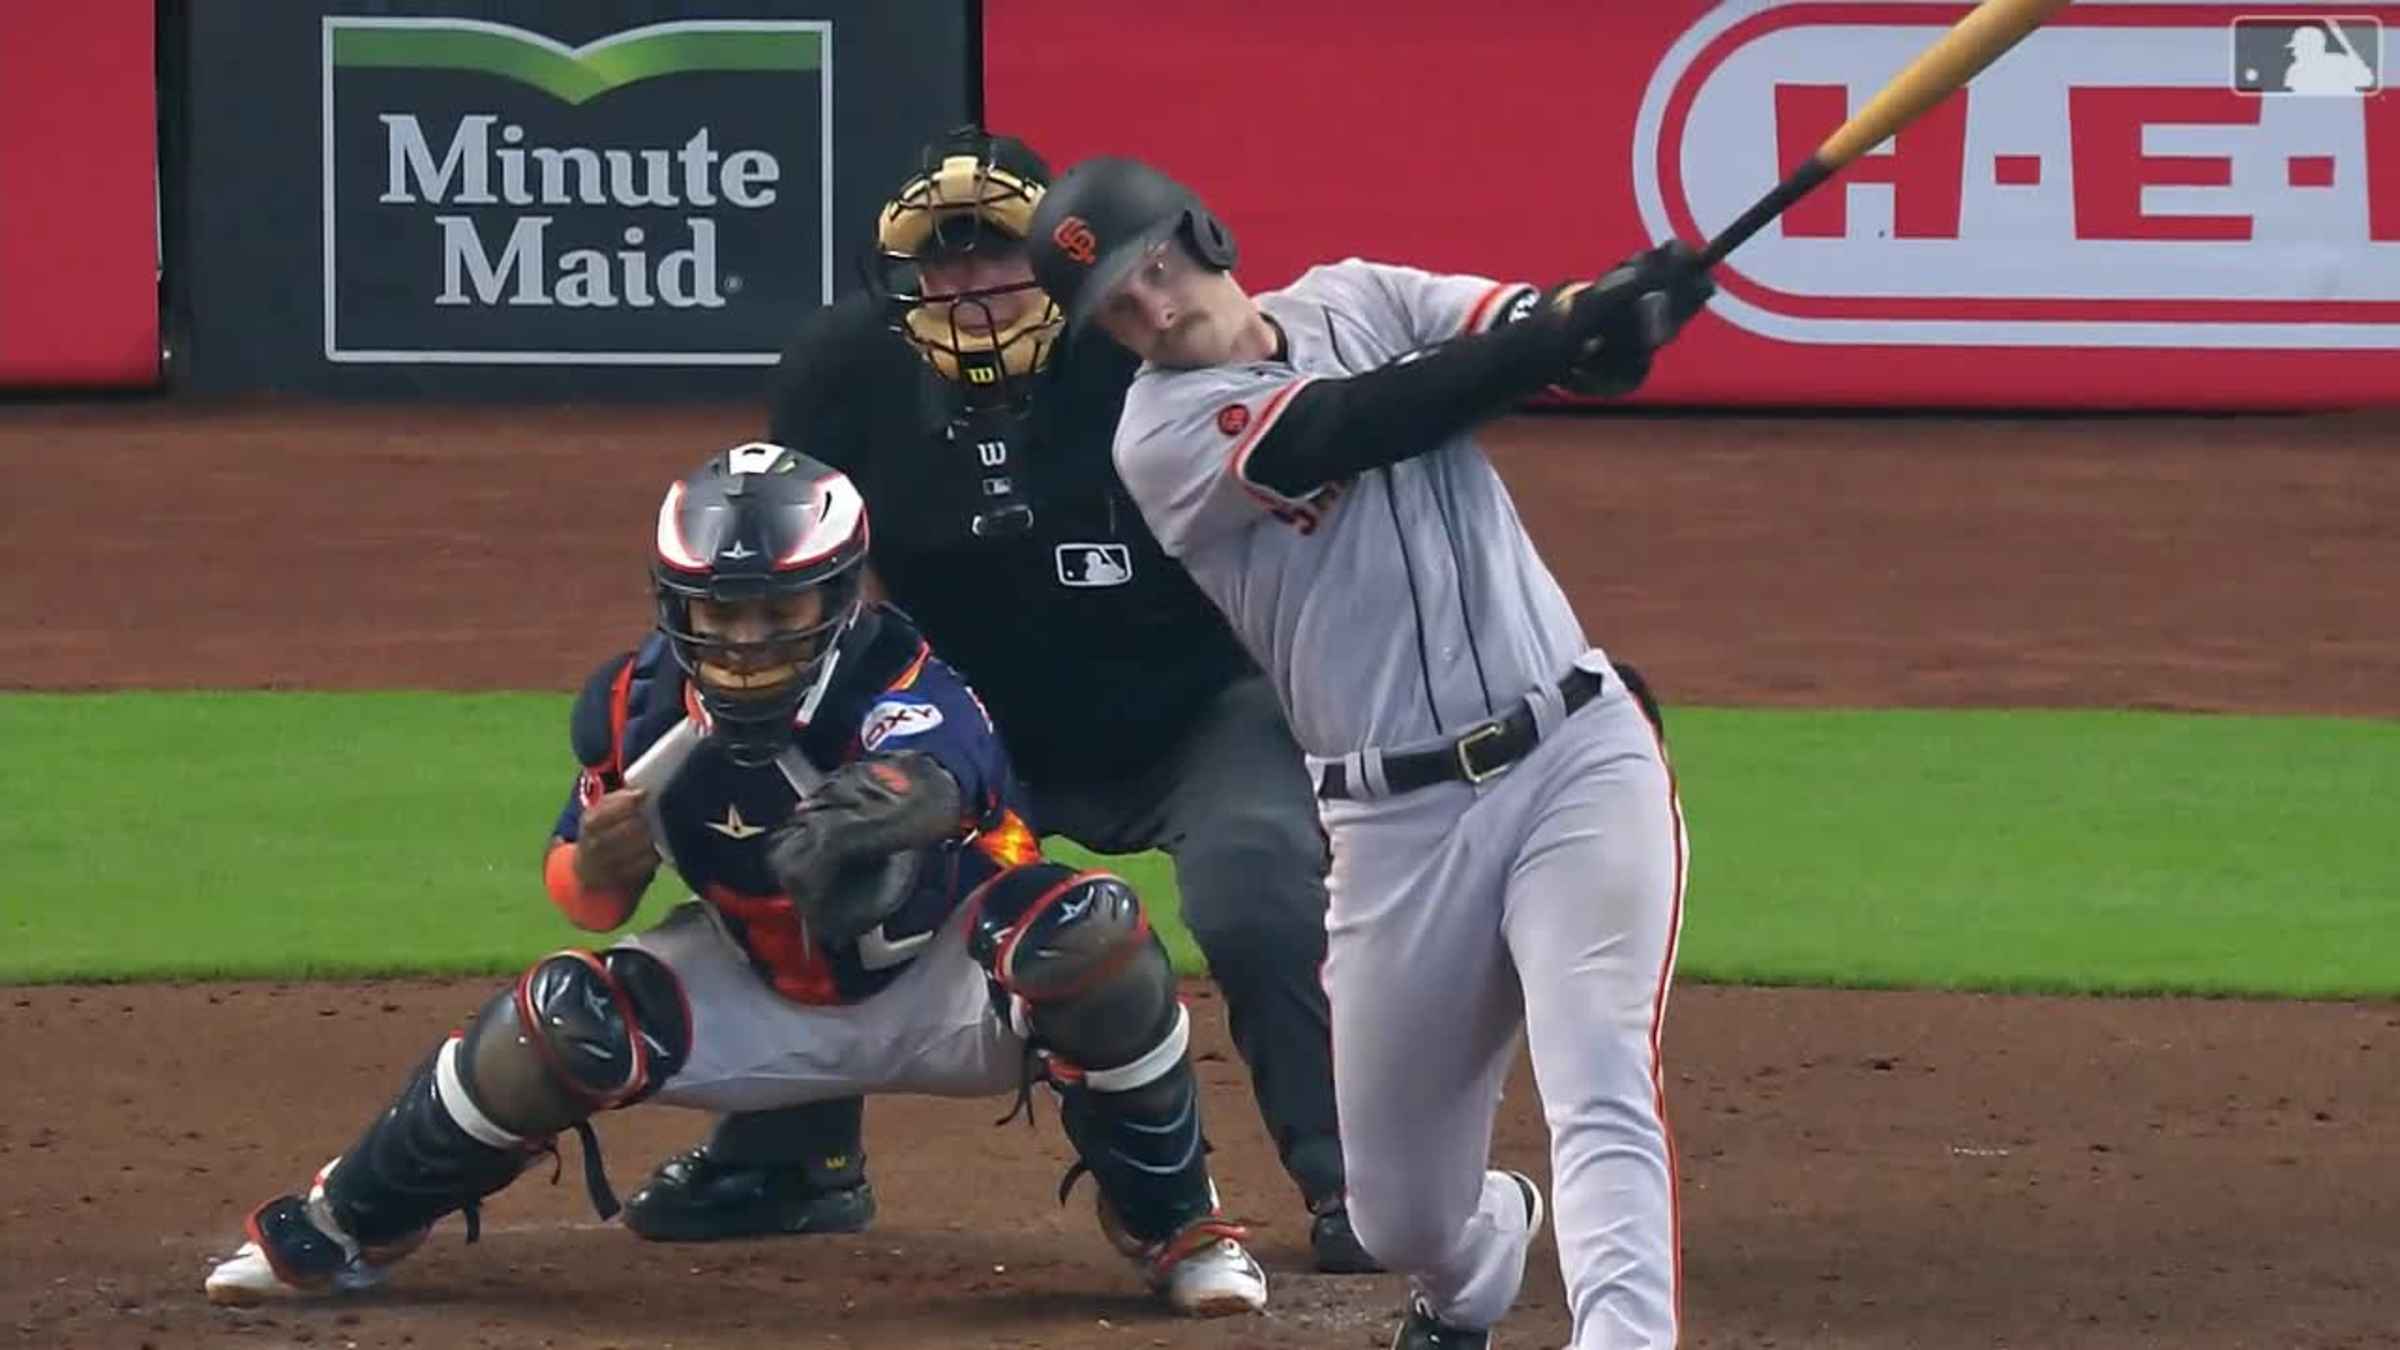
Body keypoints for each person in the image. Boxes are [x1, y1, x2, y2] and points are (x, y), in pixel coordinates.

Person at [201, 443, 1269, 1319]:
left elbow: (950, 774)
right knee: (562, 1018)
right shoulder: (633, 708)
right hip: (760, 994)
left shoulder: (903, 676)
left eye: (775, 612)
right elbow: (585, 897)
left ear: (841, 599)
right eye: (719, 614)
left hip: (950, 986)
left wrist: (881, 816)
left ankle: (1179, 1227)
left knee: (1094, 937)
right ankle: (344, 1226)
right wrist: (601, 865)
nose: (745, 643)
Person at [620, 127, 1378, 1274]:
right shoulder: (846, 369)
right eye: (940, 263)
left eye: (994, 257)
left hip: (1199, 711)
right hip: (973, 720)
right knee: (817, 840)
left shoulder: (1147, 346)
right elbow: (797, 575)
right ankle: (791, 1156)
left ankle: (1350, 1183)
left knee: (1255, 887)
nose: (966, 286)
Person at [1024, 157, 1712, 1349]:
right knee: (1398, 1216)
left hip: (1575, 759)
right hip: (1394, 831)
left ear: (1201, 231)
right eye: (1119, 314)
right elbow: (1367, 421)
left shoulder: (1363, 298)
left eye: (1153, 272)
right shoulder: (1163, 436)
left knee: (1596, 1072)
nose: (1154, 313)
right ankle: (1481, 1257)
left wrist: (1622, 319)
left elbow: (1528, 337)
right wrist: (1564, 331)